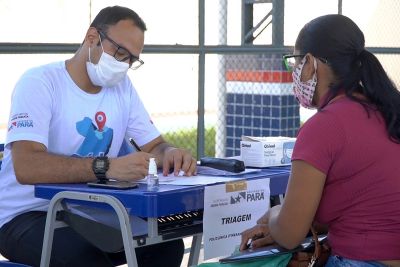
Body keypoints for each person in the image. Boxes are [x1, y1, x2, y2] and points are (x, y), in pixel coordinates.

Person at [0, 5, 197, 267]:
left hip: (89, 210)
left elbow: (155, 145)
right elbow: (27, 167)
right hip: (25, 215)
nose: (123, 64)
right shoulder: (40, 82)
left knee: (166, 246)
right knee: (85, 259)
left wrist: (171, 154)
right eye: (120, 52)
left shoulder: (122, 88)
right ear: (92, 37)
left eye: (131, 59)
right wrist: (108, 167)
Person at [240, 14, 400, 266]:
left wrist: (274, 215)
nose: (294, 72)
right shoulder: (389, 111)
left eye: (295, 62)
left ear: (311, 63)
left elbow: (289, 234)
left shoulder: (323, 127)